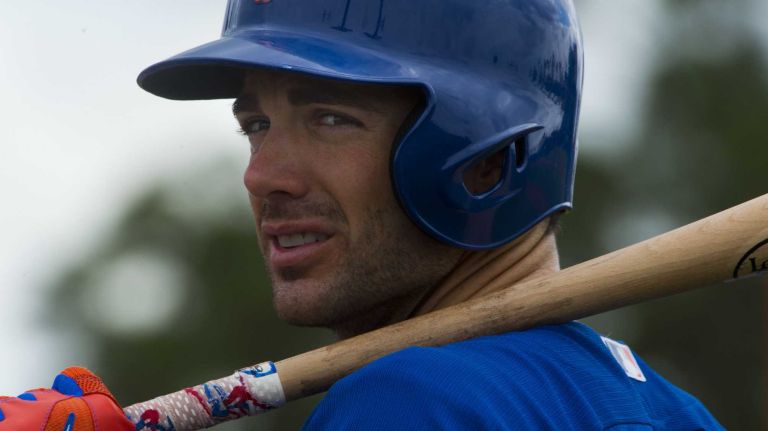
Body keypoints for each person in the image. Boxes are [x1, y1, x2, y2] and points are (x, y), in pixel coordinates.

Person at [0, 0, 724, 429]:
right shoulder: (675, 410)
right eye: (254, 125)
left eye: (330, 118)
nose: (263, 177)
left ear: (485, 157)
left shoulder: (415, 401)